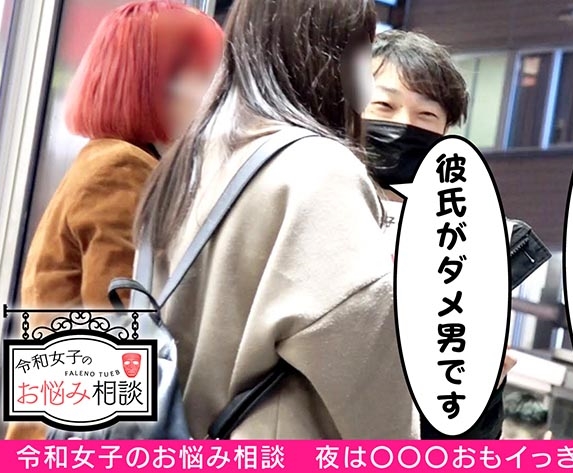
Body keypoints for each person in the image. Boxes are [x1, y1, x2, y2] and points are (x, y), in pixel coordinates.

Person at [136, 0, 416, 439]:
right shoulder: (318, 169)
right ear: (331, 56)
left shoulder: (193, 156)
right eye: (364, 48)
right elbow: (359, 349)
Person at [9, 0, 222, 440]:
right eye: (206, 78)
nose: (213, 99)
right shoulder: (122, 169)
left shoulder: (110, 158)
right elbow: (121, 325)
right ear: (163, 83)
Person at [362, 30, 518, 439]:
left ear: (446, 133)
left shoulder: (466, 246)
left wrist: (482, 389)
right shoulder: (308, 202)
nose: (403, 124)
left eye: (426, 116)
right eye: (384, 105)